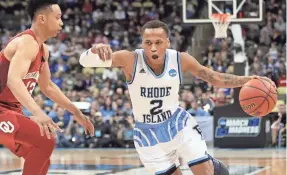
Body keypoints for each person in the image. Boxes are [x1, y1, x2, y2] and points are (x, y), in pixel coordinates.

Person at [79, 20, 272, 175]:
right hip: (147, 134)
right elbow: (83, 61)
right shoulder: (130, 59)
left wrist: (246, 80)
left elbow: (213, 77)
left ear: (168, 42)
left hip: (178, 124)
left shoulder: (180, 59)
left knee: (204, 172)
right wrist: (94, 50)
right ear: (142, 44)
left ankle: (214, 168)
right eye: (148, 43)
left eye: (158, 42)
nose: (153, 48)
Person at [0, 0, 94, 175]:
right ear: (42, 18)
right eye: (58, 17)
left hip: (10, 111)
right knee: (45, 141)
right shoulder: (27, 42)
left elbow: (48, 86)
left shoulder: (43, 49)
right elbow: (14, 80)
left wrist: (76, 111)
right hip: (2, 110)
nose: (62, 23)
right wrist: (38, 113)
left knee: (41, 155)